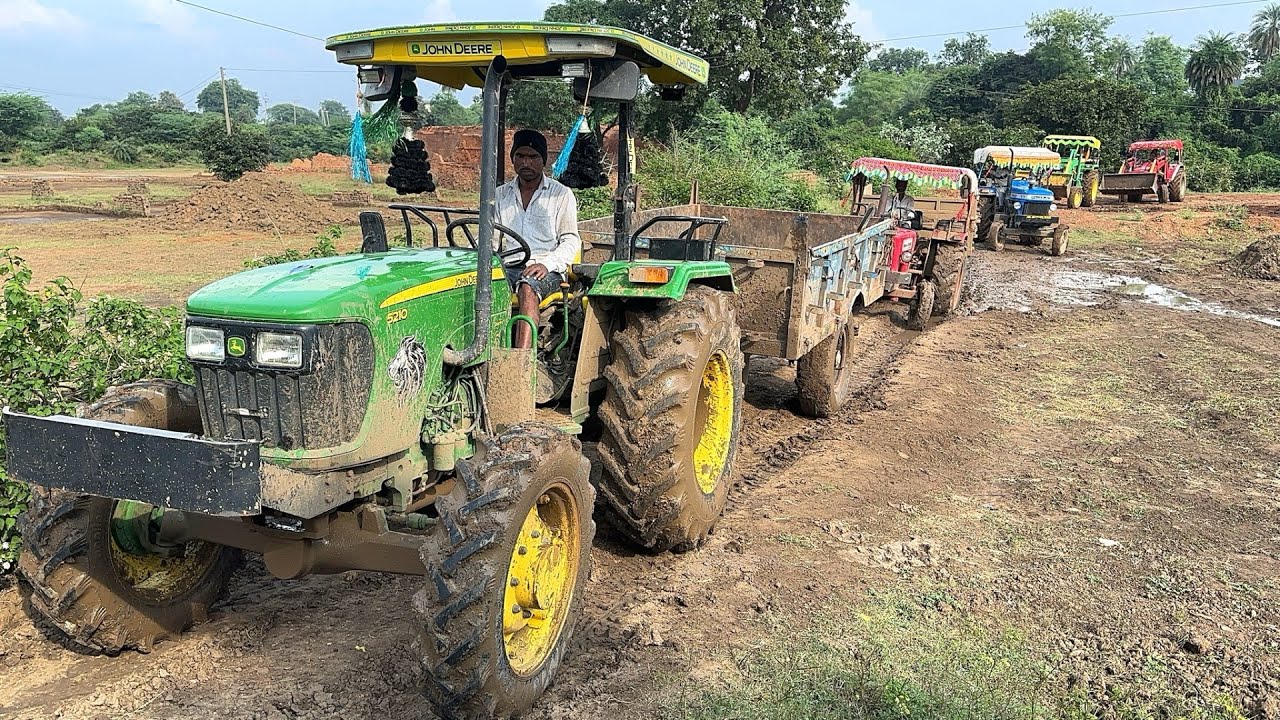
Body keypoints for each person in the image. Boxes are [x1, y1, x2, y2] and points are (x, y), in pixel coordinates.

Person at [495, 129, 581, 349]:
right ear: (513, 158)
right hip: (509, 265)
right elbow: (489, 240)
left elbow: (570, 240)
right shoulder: (500, 195)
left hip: (546, 269)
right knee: (471, 282)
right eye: (521, 156)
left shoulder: (561, 194)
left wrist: (547, 263)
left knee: (528, 286)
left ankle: (521, 362)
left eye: (533, 157)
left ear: (543, 161)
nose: (526, 162)